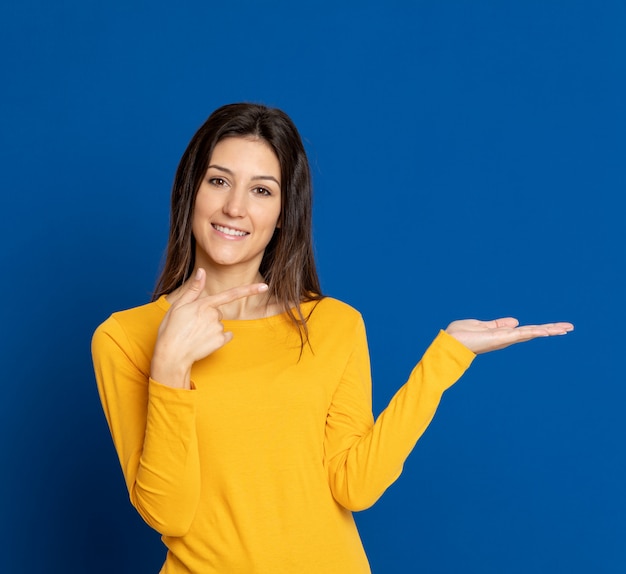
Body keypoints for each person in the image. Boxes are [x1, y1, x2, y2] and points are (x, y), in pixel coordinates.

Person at [91, 102, 573, 573]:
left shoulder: (334, 324)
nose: (234, 207)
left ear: (283, 213)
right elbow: (168, 513)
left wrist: (446, 358)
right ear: (190, 191)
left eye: (262, 190)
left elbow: (353, 486)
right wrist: (170, 368)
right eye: (218, 181)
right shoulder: (125, 338)